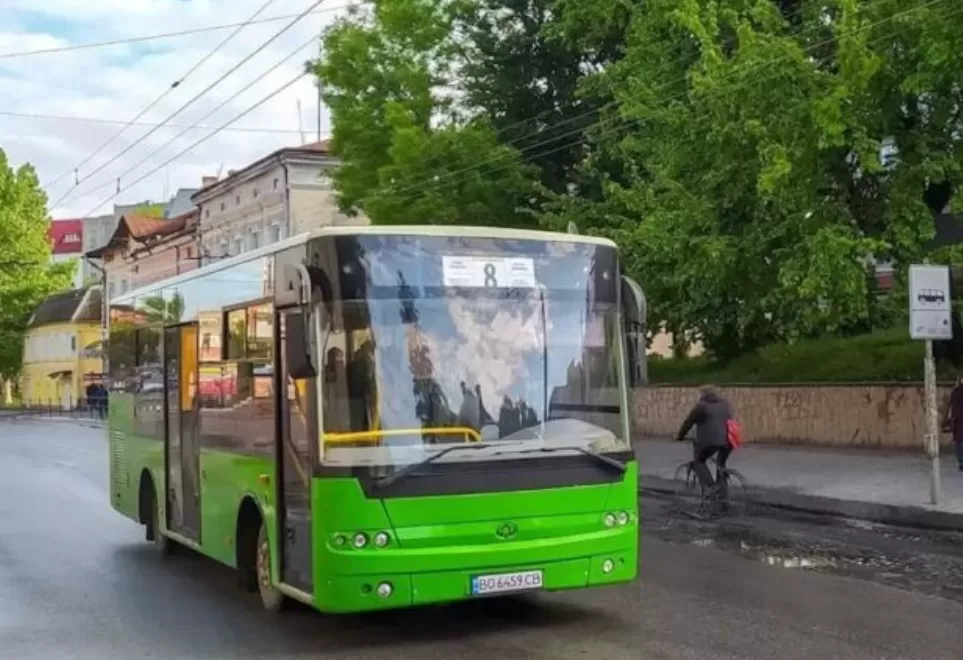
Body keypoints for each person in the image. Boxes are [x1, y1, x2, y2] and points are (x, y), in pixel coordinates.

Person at [675, 385, 735, 498]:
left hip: (710, 442)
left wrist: (680, 436)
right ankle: (723, 497)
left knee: (699, 462)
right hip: (728, 441)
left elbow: (688, 422)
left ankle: (711, 488)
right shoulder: (725, 404)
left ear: (703, 394)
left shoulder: (701, 406)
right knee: (720, 465)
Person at [944, 374, 963, 471]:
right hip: (958, 420)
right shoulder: (956, 391)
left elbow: (951, 406)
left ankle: (961, 462)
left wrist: (950, 419)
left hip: (957, 420)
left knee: (959, 442)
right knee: (959, 442)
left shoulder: (955, 391)